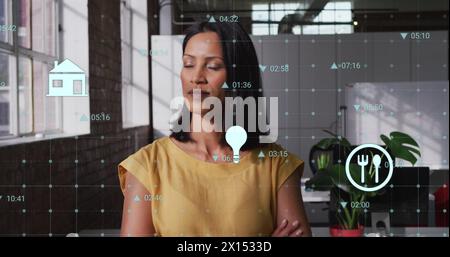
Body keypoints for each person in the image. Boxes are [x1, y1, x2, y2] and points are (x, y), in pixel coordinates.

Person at [118, 21, 311, 237]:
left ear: (239, 77)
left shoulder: (276, 165)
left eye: (212, 66)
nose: (196, 77)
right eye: (189, 64)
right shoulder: (146, 166)